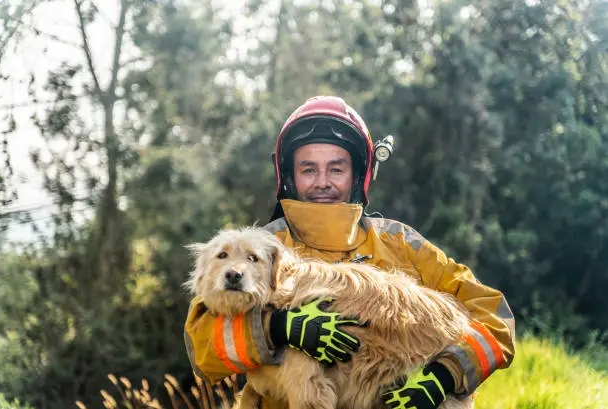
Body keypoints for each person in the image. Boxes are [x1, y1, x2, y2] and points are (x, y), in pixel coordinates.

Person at [184, 96, 516, 409]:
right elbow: (201, 345)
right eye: (309, 169)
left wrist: (444, 376)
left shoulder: (400, 242)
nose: (323, 182)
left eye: (336, 169)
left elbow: (494, 316)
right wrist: (275, 327)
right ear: (289, 176)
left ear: (359, 175)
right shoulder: (261, 248)